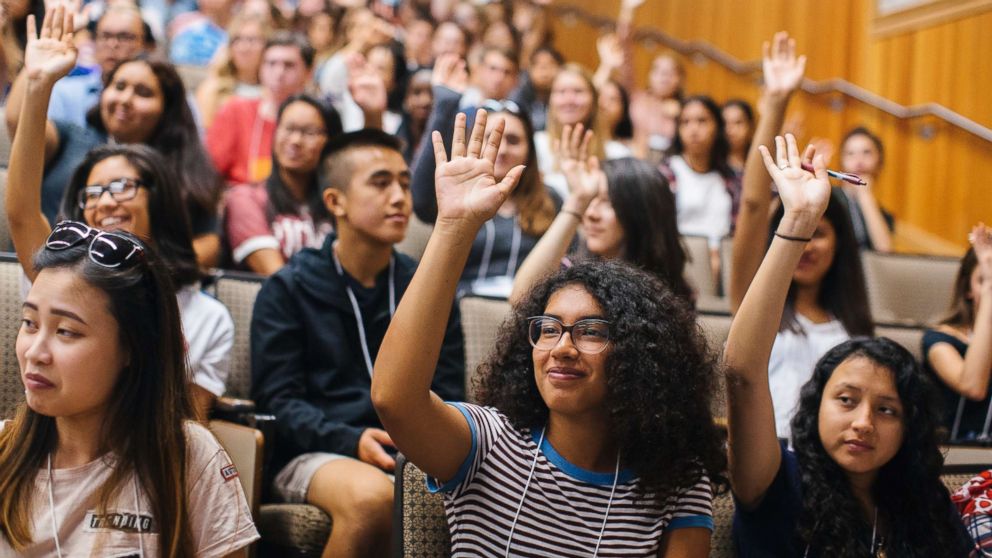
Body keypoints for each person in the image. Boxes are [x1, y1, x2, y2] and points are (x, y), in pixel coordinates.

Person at [372, 109, 725, 556]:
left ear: (639, 355)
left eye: (591, 331)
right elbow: (393, 398)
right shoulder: (490, 444)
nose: (561, 348)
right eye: (549, 329)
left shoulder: (675, 480)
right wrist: (453, 229)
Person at [724, 132, 974, 557]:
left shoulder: (923, 504)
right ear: (815, 404)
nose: (864, 422)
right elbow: (744, 375)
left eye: (887, 410)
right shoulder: (778, 481)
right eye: (845, 400)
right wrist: (797, 221)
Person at [5, 6, 233, 420]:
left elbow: (185, 430)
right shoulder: (60, 280)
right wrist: (38, 83)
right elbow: (21, 212)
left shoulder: (206, 316)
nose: (106, 201)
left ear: (158, 200)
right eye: (92, 192)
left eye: (122, 187)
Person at [251, 129, 464, 558]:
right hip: (317, 451)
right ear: (335, 202)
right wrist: (351, 440)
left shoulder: (426, 285)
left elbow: (450, 393)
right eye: (380, 182)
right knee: (374, 500)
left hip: (410, 452)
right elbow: (279, 403)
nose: (400, 197)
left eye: (405, 183)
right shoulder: (288, 288)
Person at [0, 221, 258, 557]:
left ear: (132, 349)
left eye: (66, 331)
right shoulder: (6, 453)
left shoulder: (187, 457)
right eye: (30, 324)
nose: (35, 352)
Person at [730, 33, 873, 441]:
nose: (806, 247)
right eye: (798, 234)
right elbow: (755, 207)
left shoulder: (853, 322)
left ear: (840, 244)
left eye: (819, 234)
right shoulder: (755, 301)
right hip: (772, 461)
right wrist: (775, 102)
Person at [411, 56, 558, 298]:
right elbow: (421, 203)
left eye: (513, 140)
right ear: (473, 143)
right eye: (491, 139)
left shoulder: (551, 199)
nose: (501, 150)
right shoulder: (458, 192)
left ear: (529, 152)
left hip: (528, 314)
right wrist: (445, 104)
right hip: (460, 308)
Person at [510, 124, 691, 305]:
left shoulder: (667, 295)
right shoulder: (575, 273)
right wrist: (578, 200)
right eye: (591, 200)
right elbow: (521, 298)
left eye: (607, 202)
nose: (590, 214)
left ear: (641, 212)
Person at [224, 94, 342, 275]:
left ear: (331, 141)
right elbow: (275, 276)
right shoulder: (246, 198)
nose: (295, 141)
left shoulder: (338, 203)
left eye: (309, 132)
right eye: (288, 129)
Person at [5, 3, 151, 130]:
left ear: (147, 45)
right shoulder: (65, 92)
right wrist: (36, 69)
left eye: (125, 37)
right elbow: (16, 123)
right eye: (105, 36)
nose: (112, 45)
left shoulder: (157, 97)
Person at [207, 31, 314, 186]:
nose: (278, 73)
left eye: (289, 65)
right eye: (271, 64)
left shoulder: (316, 120)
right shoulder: (236, 110)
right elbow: (209, 172)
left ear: (309, 72)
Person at [922, 224, 992, 441]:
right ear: (968, 289)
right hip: (957, 462)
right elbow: (972, 387)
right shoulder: (939, 340)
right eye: (984, 279)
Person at [660, 95, 738, 282]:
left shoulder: (729, 177)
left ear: (718, 127)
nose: (693, 129)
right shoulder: (667, 172)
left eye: (702, 121)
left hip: (726, 262)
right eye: (685, 122)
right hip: (680, 262)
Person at [534, 64, 614, 199]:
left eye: (578, 91)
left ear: (594, 100)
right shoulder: (534, 145)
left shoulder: (616, 153)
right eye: (561, 92)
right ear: (550, 100)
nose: (569, 100)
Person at [194, 12, 271, 128]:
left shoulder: (274, 93)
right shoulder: (212, 90)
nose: (243, 47)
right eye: (237, 39)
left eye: (252, 40)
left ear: (267, 46)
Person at [838, 126, 894, 252]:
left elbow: (885, 251)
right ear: (842, 161)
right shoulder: (830, 199)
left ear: (879, 161)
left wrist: (865, 195)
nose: (859, 161)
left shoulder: (884, 216)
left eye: (866, 153)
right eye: (850, 153)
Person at [509, 44, 562, 131]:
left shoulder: (566, 95)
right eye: (538, 65)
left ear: (561, 68)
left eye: (551, 64)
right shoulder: (519, 94)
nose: (545, 70)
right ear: (529, 69)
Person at [723, 98, 755, 176]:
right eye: (725, 123)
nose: (730, 130)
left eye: (738, 123)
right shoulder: (713, 164)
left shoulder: (760, 160)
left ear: (750, 126)